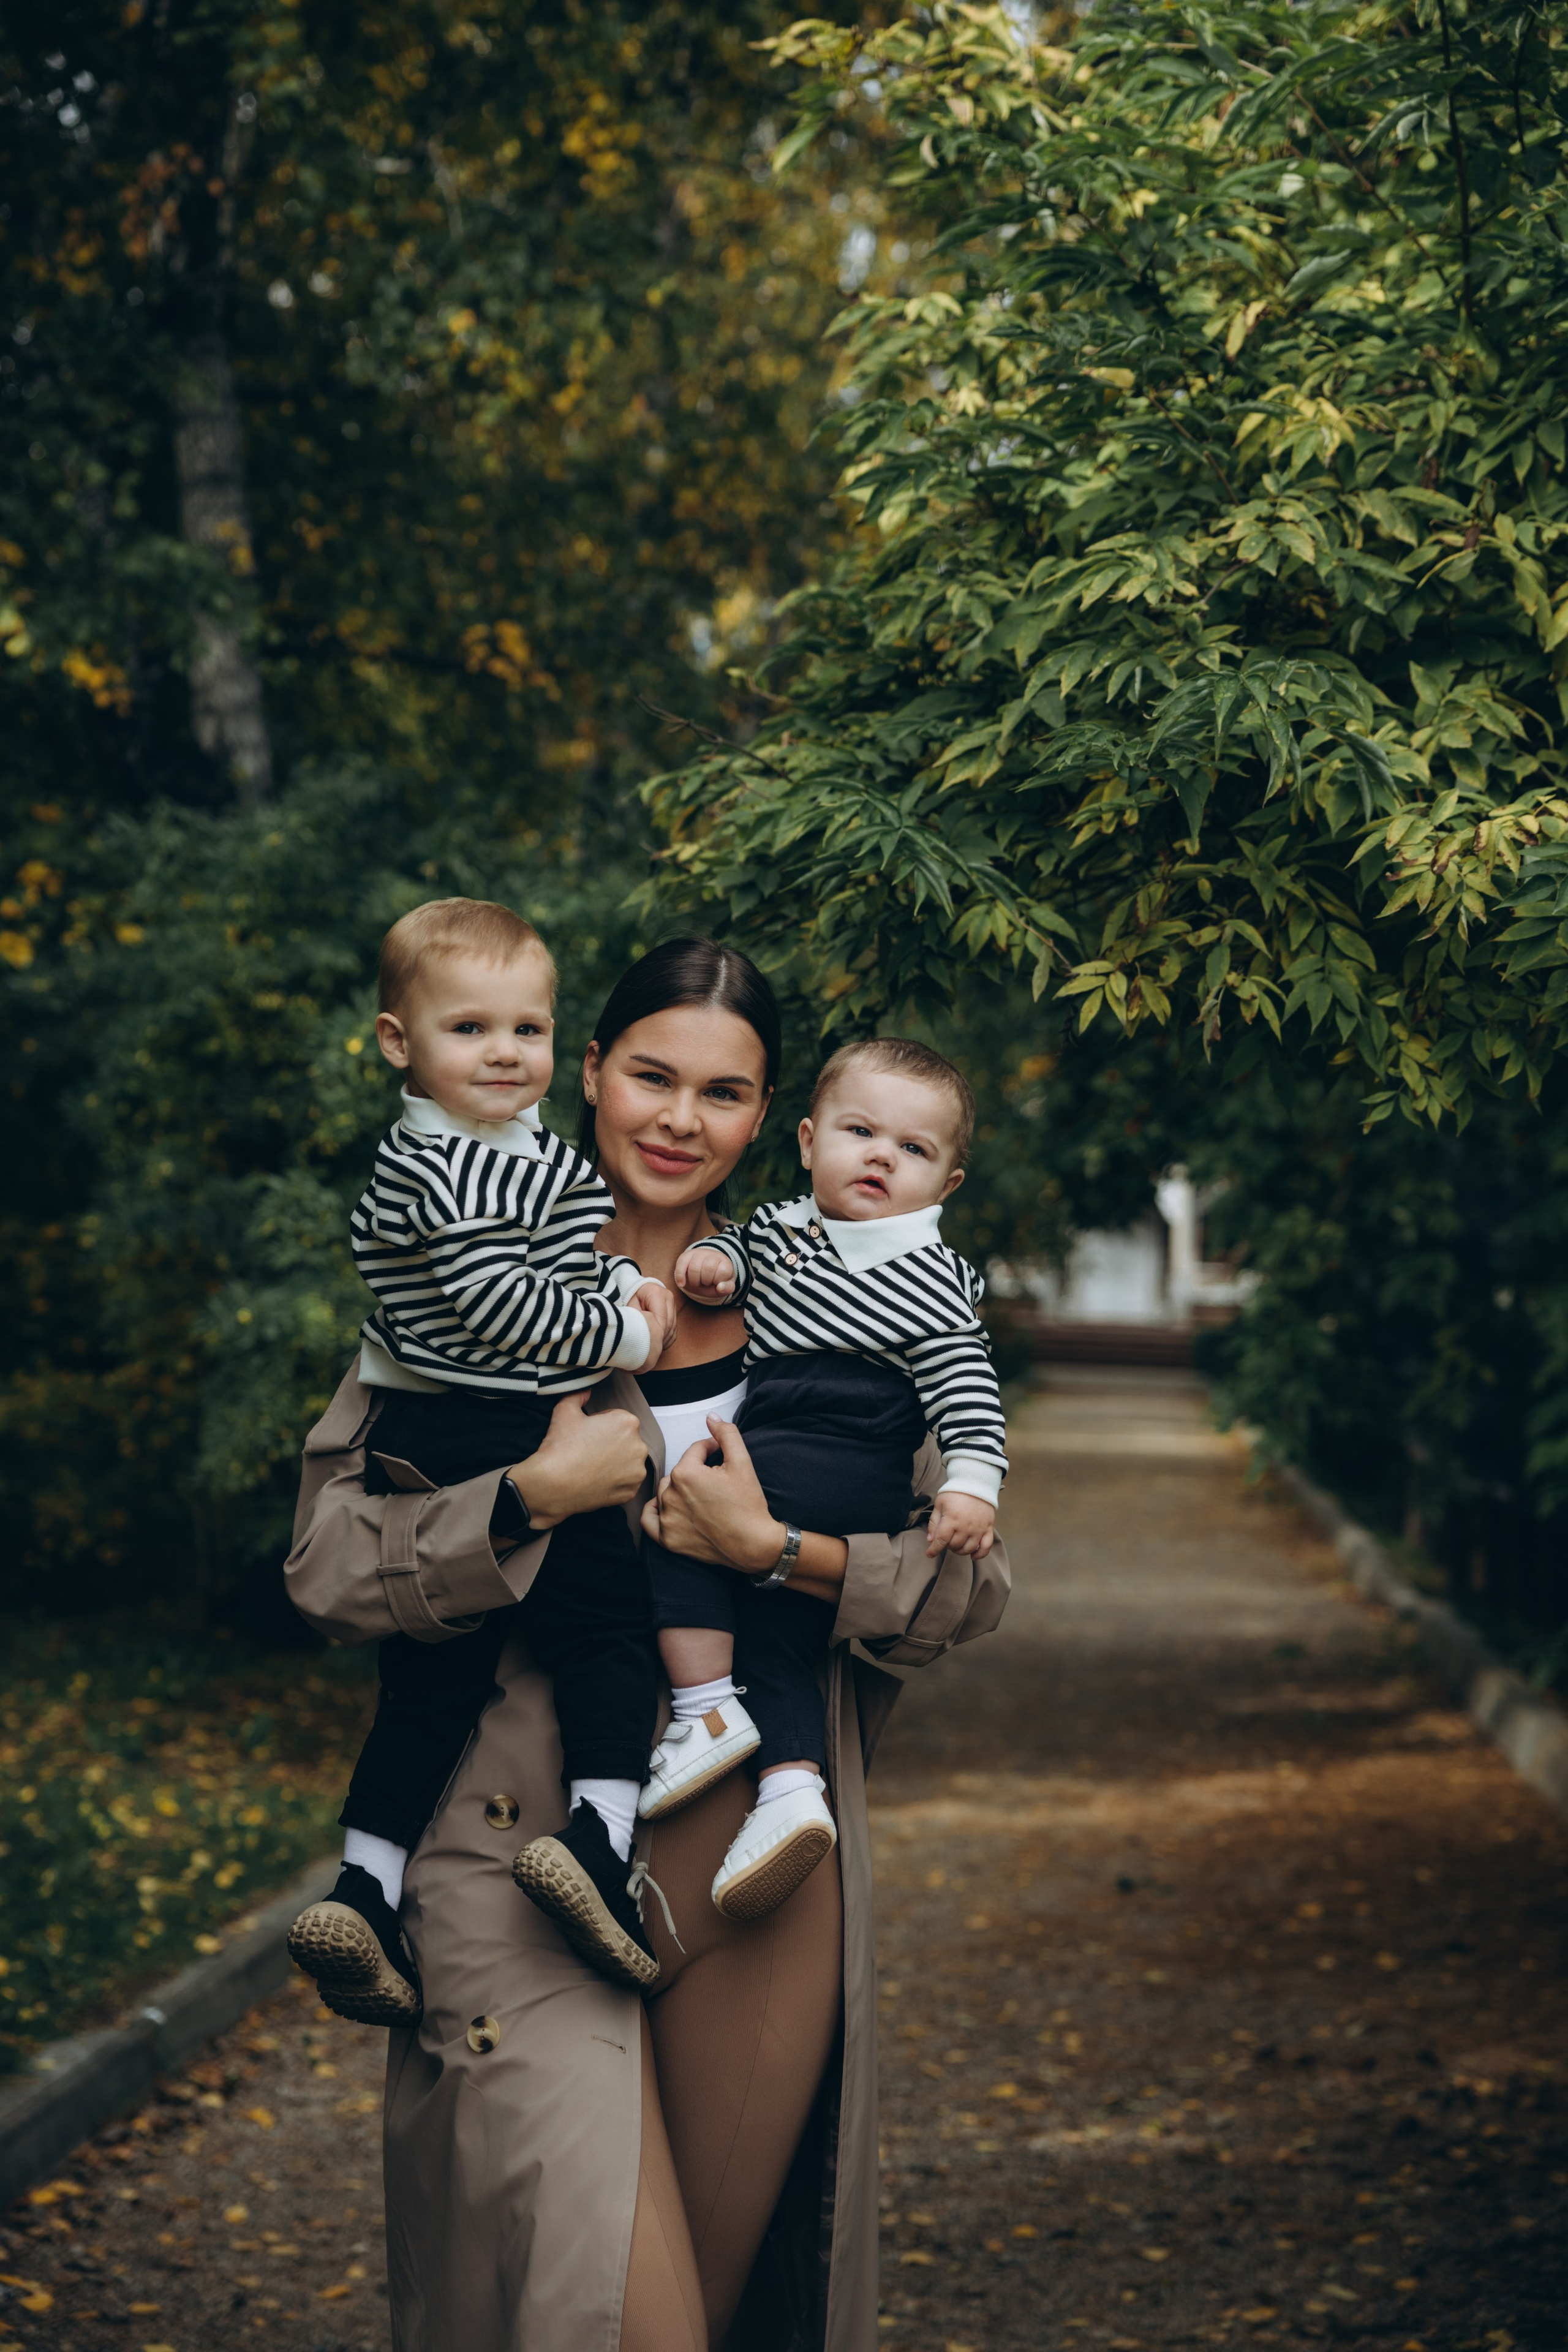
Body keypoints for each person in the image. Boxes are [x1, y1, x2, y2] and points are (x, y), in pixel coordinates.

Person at [284, 937, 1010, 2352]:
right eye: (650, 1077)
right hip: (517, 1867)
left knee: (726, 2317)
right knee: (614, 2319)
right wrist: (525, 1498)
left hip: (756, 1869)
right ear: (588, 1071)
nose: (680, 1121)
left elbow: (962, 1596)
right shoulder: (468, 1279)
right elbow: (324, 1568)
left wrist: (770, 1550)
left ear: (768, 1117)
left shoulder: (843, 1289)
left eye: (722, 1093)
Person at [289, 897, 679, 2013]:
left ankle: (367, 1886)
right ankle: (599, 1836)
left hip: (471, 1419)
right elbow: (502, 1305)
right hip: (478, 1424)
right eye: (470, 1029)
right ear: (397, 1042)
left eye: (527, 1028)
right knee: (607, 1631)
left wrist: (614, 1281)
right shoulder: (443, 1166)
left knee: (433, 1680)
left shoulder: (516, 1150)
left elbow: (565, 1256)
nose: (506, 1052)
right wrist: (629, 1334)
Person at [642, 1035, 1008, 1924]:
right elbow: (740, 1267)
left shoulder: (934, 1276)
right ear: (809, 1142)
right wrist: (719, 1269)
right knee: (780, 1638)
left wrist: (971, 1481)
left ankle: (705, 1708)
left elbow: (965, 1385)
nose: (881, 1157)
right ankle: (793, 1789)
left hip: (840, 1440)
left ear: (947, 1185)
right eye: (860, 1132)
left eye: (913, 1148)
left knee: (680, 1526)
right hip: (806, 1451)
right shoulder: (781, 1229)